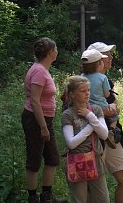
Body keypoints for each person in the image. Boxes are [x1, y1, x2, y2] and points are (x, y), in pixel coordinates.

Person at [86, 42, 123, 203]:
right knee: (94, 185)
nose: (111, 57)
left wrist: (113, 111)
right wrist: (105, 111)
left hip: (112, 135)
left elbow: (114, 106)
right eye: (107, 54)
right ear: (96, 59)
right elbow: (76, 109)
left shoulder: (106, 79)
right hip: (92, 137)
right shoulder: (82, 82)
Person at [22, 37, 66, 203]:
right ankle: (32, 198)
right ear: (50, 53)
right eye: (55, 49)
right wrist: (43, 127)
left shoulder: (41, 69)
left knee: (53, 158)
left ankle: (46, 196)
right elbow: (34, 100)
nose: (57, 51)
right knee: (34, 159)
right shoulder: (39, 71)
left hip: (44, 120)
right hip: (35, 120)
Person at [61, 76, 110, 203]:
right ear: (72, 94)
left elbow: (104, 135)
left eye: (88, 90)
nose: (87, 93)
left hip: (96, 159)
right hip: (77, 161)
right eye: (83, 91)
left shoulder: (95, 110)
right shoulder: (68, 114)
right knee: (80, 200)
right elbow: (71, 144)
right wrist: (91, 126)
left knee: (103, 199)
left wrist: (90, 116)